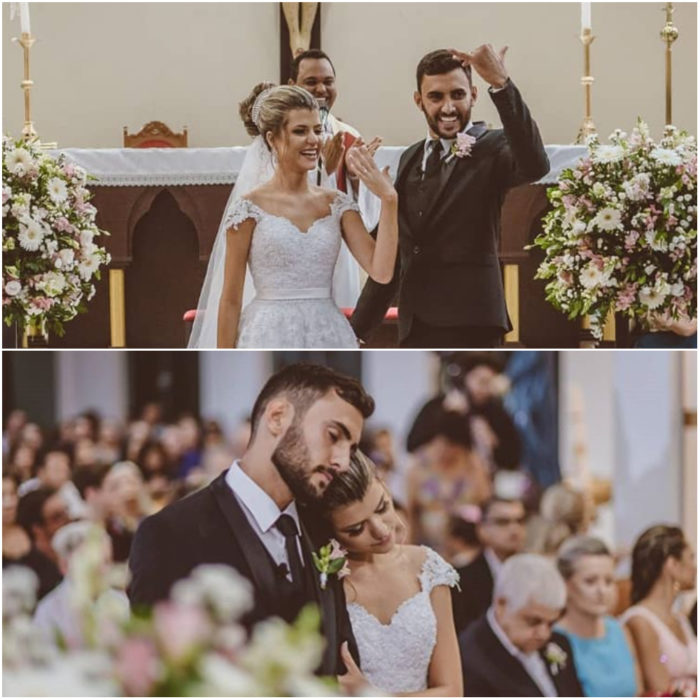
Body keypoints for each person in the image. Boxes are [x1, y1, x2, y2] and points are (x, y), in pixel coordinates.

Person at [128, 363, 374, 676]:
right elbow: (155, 677)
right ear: (277, 418)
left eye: (351, 449)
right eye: (333, 435)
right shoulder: (169, 534)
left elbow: (343, 664)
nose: (342, 462)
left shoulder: (323, 529)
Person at [351, 46, 550, 348]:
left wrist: (501, 84)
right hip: (415, 323)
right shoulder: (410, 157)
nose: (448, 107)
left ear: (473, 94)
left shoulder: (495, 147)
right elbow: (398, 250)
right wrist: (357, 330)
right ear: (419, 100)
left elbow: (535, 164)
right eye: (436, 97)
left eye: (457, 95)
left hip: (473, 321)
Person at [189, 84, 397, 348]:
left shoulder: (338, 205)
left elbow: (381, 272)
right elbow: (230, 299)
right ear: (272, 139)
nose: (314, 140)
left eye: (317, 130)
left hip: (327, 332)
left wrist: (389, 200)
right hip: (265, 332)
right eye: (300, 131)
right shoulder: (248, 208)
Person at [314, 449, 462, 695]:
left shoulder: (428, 567)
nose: (381, 530)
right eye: (356, 528)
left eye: (382, 507)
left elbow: (453, 691)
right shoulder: (323, 579)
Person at [459, 553, 584, 696]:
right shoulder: (469, 660)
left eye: (551, 623)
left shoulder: (560, 642)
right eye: (533, 621)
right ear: (501, 605)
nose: (544, 633)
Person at [555, 536, 641, 697]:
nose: (602, 591)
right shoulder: (554, 640)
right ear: (566, 585)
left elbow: (638, 692)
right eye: (590, 581)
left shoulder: (619, 630)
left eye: (608, 581)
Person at [405, 403, 491, 553]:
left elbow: (486, 503)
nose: (448, 451)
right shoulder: (418, 466)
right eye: (444, 443)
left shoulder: (472, 463)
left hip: (469, 548)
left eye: (455, 446)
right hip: (429, 548)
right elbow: (410, 514)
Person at [621, 525, 697, 695]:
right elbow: (660, 689)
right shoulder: (640, 621)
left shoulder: (680, 619)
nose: (695, 567)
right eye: (691, 558)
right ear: (672, 564)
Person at [453, 497, 526, 634]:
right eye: (503, 522)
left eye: (520, 521)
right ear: (482, 529)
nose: (514, 529)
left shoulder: (536, 574)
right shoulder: (461, 580)